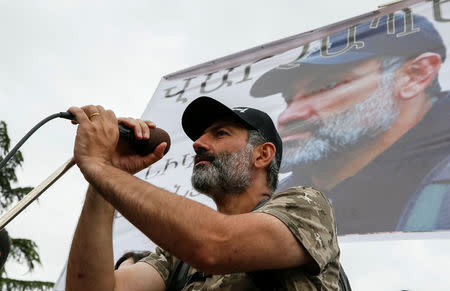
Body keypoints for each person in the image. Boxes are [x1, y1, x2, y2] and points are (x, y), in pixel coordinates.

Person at [65, 97, 340, 290]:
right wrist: (105, 178)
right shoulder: (176, 259)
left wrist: (101, 168)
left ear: (262, 154)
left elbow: (215, 245)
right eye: (200, 136)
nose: (198, 144)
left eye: (219, 134)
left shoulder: (307, 207)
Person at [250, 12, 450, 234]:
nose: (287, 116)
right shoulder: (276, 199)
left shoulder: (439, 184)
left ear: (415, 75)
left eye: (327, 85)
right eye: (289, 99)